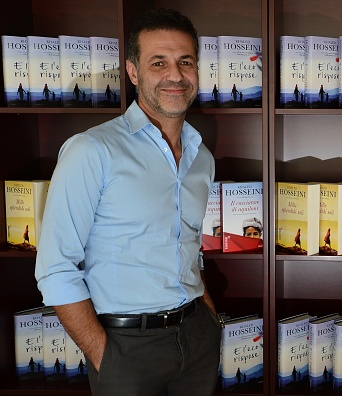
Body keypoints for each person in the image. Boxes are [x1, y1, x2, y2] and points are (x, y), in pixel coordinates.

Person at [34, 8, 221, 396]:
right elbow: (55, 267)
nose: (175, 75)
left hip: (197, 339)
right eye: (159, 63)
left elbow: (186, 246)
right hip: (125, 350)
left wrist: (208, 315)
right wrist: (103, 355)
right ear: (134, 72)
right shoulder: (92, 150)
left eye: (185, 62)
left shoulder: (201, 157)